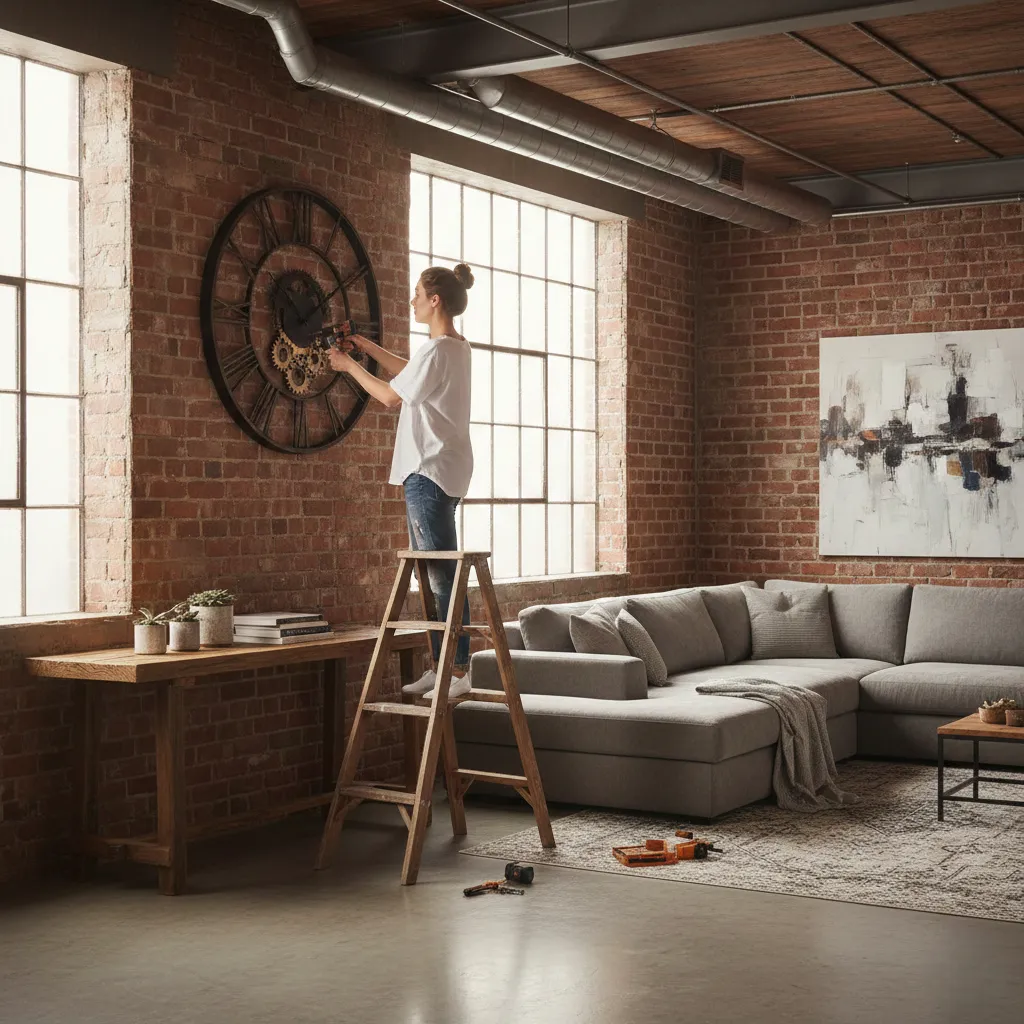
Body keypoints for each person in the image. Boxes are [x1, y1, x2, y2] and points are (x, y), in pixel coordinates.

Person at [328, 263, 475, 700]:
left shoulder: (438, 352)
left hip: (426, 472)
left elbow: (391, 395)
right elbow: (407, 370)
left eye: (416, 294)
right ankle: (444, 666)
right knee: (436, 574)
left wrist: (347, 365)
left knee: (441, 577)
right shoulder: (453, 348)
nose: (411, 300)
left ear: (435, 300)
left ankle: (456, 670)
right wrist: (366, 346)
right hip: (444, 471)